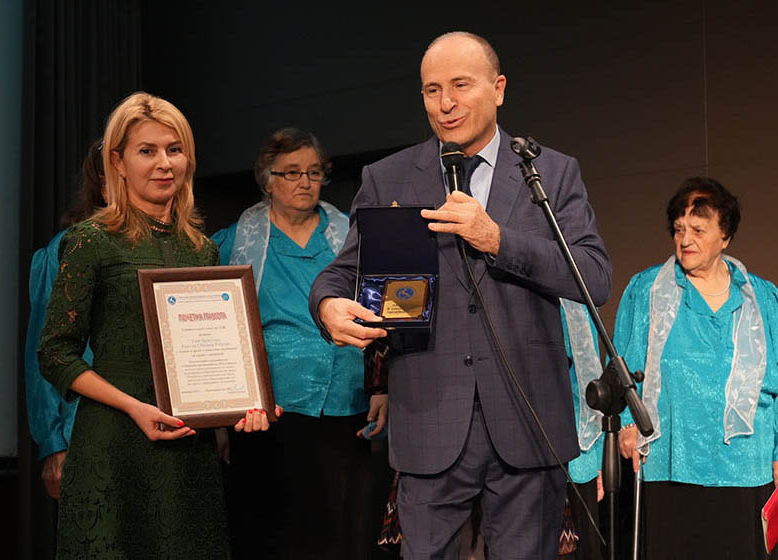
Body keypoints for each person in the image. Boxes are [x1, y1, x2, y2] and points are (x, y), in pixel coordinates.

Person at [309, 31, 612, 559]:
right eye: (432, 90)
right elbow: (341, 274)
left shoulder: (549, 171)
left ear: (498, 88)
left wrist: (497, 239)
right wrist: (328, 306)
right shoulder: (389, 177)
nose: (445, 103)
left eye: (460, 85)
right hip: (429, 423)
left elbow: (594, 276)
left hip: (527, 421)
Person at [37, 92, 275, 559]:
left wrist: (240, 407)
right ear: (117, 163)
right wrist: (134, 407)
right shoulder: (90, 241)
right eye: (147, 151)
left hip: (189, 455)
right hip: (113, 448)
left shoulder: (202, 249)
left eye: (174, 149)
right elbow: (55, 353)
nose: (164, 163)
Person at [213, 127, 387, 558]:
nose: (305, 182)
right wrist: (218, 417)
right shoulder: (235, 241)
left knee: (346, 533)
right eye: (291, 172)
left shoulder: (350, 234)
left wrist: (382, 385)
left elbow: (382, 311)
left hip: (347, 406)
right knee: (278, 533)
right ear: (267, 179)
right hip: (271, 413)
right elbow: (216, 328)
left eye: (314, 172)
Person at [615, 177, 778, 559]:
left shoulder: (764, 298)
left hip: (744, 465)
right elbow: (620, 369)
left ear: (725, 236)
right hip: (670, 461)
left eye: (698, 230)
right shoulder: (646, 290)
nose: (685, 239)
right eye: (679, 229)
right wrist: (626, 423)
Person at [25, 138, 105, 500]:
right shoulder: (68, 249)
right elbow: (44, 353)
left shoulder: (180, 247)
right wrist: (53, 443)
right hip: (85, 432)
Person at [559, 298, 604, 560]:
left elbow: (589, 380)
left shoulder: (577, 299)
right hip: (525, 459)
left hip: (578, 455)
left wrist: (596, 458)